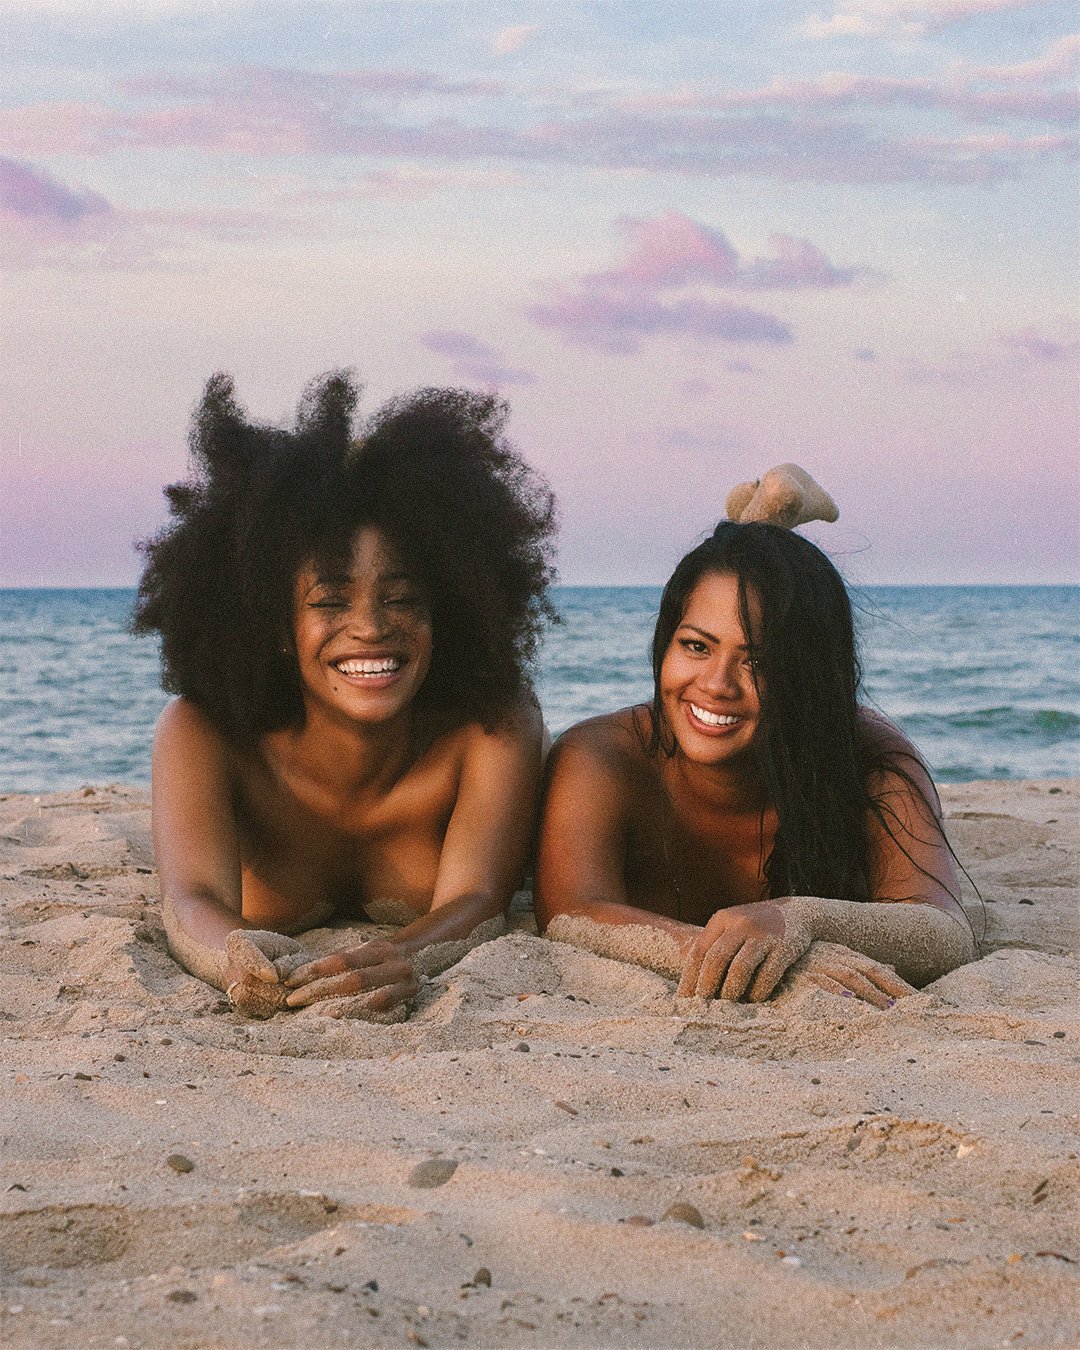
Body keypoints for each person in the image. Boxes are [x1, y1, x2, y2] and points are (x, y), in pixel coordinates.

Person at [136, 371, 557, 1019]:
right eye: (330, 601)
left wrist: (406, 956)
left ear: (450, 606)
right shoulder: (205, 731)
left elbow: (478, 899)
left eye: (402, 598)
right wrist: (241, 963)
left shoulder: (493, 724)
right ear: (277, 626)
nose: (370, 627)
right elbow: (190, 898)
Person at [535, 518, 976, 1007]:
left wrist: (797, 919)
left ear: (810, 676)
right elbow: (570, 914)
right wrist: (746, 955)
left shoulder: (872, 757)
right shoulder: (602, 755)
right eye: (696, 646)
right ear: (664, 644)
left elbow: (943, 931)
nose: (717, 684)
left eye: (758, 662)